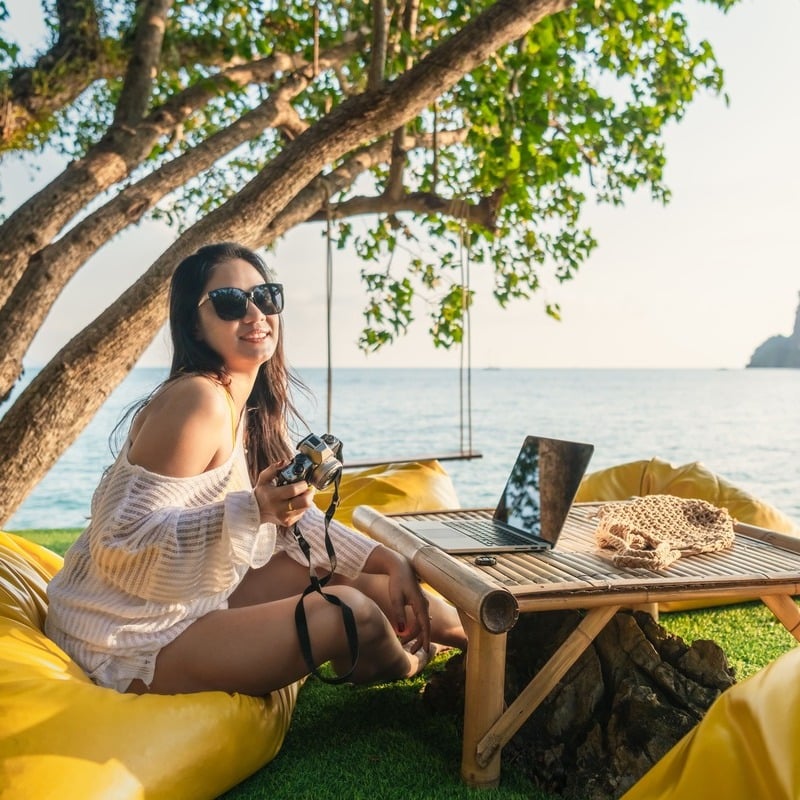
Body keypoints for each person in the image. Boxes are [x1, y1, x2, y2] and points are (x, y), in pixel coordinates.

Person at [45, 242, 466, 696]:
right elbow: (121, 542)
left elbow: (289, 528)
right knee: (348, 611)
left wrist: (389, 560)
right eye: (229, 303)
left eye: (265, 297)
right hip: (123, 636)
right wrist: (256, 510)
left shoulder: (244, 406)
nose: (255, 314)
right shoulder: (198, 401)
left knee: (342, 573)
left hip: (182, 604)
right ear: (194, 324)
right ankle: (415, 659)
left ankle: (490, 633)